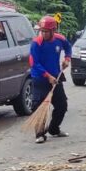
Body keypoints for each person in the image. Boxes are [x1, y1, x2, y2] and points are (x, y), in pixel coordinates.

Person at [29, 15, 72, 144]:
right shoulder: (36, 43)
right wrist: (48, 76)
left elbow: (68, 47)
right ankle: (40, 134)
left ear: (53, 31)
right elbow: (34, 63)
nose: (43, 34)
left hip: (56, 77)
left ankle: (54, 129)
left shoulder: (60, 39)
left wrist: (67, 59)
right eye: (42, 31)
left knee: (62, 105)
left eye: (46, 31)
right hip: (40, 79)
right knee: (39, 107)